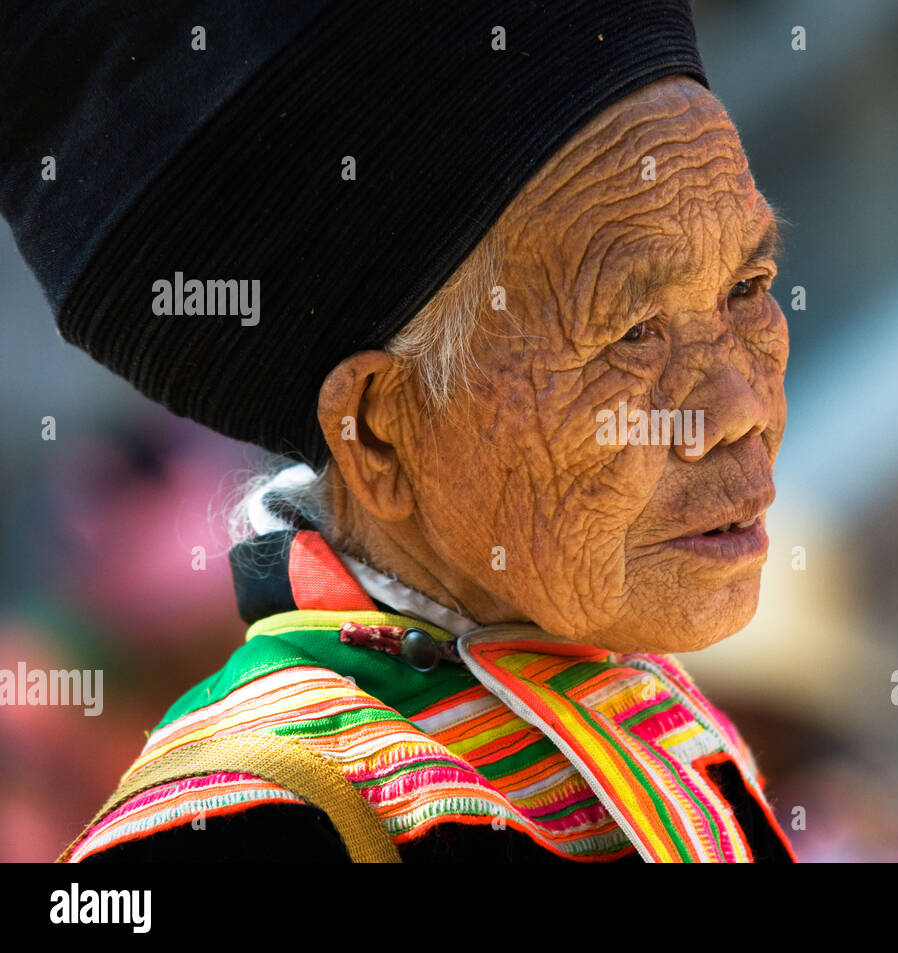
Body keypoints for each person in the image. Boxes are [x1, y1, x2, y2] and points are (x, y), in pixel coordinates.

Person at [2, 0, 795, 862]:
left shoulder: (663, 727)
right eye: (631, 332)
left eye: (748, 286)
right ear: (378, 434)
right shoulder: (250, 828)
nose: (740, 404)